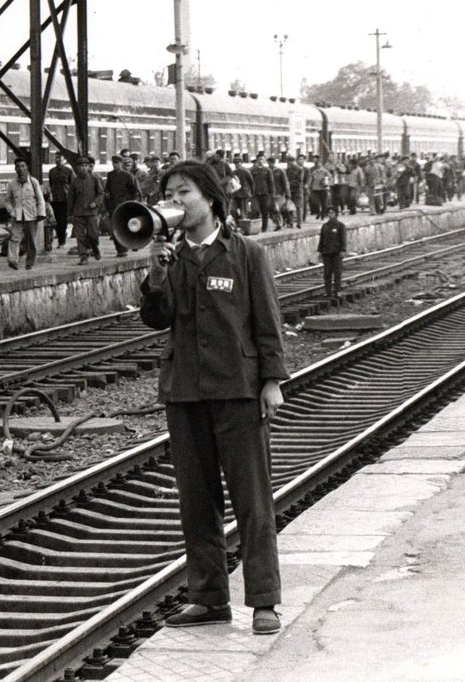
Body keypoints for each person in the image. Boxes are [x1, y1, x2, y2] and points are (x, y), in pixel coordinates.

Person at [139, 159, 287, 636]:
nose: (175, 202)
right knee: (196, 501)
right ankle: (208, 599)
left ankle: (263, 600)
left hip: (238, 392)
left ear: (209, 196)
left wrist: (272, 381)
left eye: (183, 192)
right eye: (169, 194)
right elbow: (156, 319)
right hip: (185, 393)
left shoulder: (246, 253)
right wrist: (156, 274)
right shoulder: (171, 257)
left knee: (252, 500)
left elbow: (267, 323)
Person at [5, 158, 47, 270]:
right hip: (17, 215)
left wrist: (41, 213)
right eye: (18, 166)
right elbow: (7, 200)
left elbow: (40, 198)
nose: (21, 169)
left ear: (27, 167)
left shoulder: (34, 182)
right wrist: (11, 211)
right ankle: (13, 260)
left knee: (31, 240)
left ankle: (30, 263)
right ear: (15, 168)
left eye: (23, 166)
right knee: (15, 238)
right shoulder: (11, 184)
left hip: (31, 215)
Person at [69, 155, 104, 265]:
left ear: (89, 167)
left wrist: (96, 202)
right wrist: (69, 213)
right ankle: (83, 256)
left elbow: (101, 193)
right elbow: (71, 197)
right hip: (78, 212)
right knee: (80, 236)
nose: (83, 168)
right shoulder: (75, 181)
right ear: (77, 168)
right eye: (81, 166)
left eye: (86, 166)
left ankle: (95, 248)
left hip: (91, 212)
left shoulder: (95, 178)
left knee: (92, 235)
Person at [105, 155, 141, 256]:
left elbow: (134, 192)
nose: (115, 165)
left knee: (124, 226)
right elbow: (107, 187)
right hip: (113, 205)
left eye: (117, 163)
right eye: (114, 163)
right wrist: (107, 193)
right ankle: (120, 249)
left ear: (121, 164)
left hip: (124, 205)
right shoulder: (110, 175)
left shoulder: (129, 176)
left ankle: (127, 246)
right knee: (114, 227)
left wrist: (132, 203)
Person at [318, 207, 345, 297]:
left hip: (336, 252)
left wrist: (342, 250)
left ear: (336, 214)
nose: (330, 215)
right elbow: (321, 239)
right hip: (327, 252)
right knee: (327, 273)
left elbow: (343, 239)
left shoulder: (340, 226)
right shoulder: (325, 226)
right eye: (329, 213)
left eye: (332, 213)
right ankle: (328, 291)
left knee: (337, 272)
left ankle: (337, 290)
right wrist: (320, 251)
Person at [48, 154, 74, 247]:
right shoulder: (52, 171)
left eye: (59, 158)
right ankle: (60, 239)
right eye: (56, 158)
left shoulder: (69, 171)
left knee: (63, 220)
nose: (57, 160)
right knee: (56, 220)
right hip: (55, 199)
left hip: (65, 199)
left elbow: (72, 185)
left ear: (64, 160)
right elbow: (51, 184)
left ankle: (61, 240)